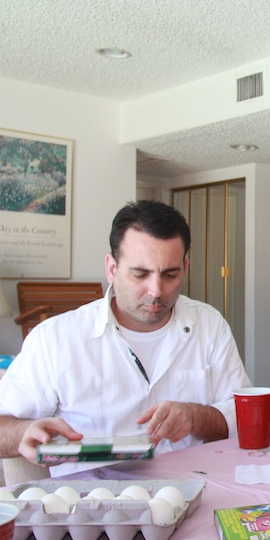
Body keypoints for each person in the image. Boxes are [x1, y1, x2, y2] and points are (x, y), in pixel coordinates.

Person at [0, 200, 252, 475]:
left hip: (201, 489)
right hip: (92, 502)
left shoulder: (210, 326)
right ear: (111, 268)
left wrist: (195, 417)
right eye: (140, 274)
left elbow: (247, 419)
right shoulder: (54, 340)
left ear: (185, 268)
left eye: (170, 274)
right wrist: (25, 430)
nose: (156, 290)